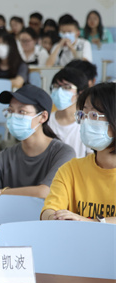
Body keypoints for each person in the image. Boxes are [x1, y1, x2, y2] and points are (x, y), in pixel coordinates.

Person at [41, 82, 115, 223]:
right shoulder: (71, 169)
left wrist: (88, 222)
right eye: (83, 114)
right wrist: (55, 218)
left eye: (94, 115)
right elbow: (49, 209)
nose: (86, 121)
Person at [0, 85, 76, 198]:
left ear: (43, 117)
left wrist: (1, 193)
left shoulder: (63, 153)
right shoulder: (5, 156)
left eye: (22, 111)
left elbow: (45, 192)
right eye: (10, 111)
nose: (13, 116)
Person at [47, 68, 92, 158]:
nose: (59, 92)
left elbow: (92, 158)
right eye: (56, 86)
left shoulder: (89, 123)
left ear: (80, 92)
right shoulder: (46, 121)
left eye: (67, 87)